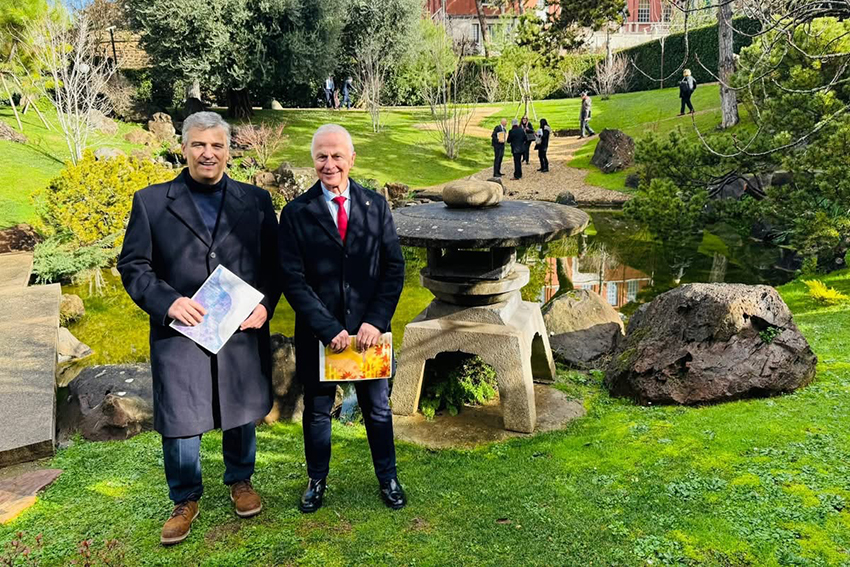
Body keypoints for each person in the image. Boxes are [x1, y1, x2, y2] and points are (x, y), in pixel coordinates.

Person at [117, 112, 280, 546]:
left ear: (228, 151)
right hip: (180, 331)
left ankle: (241, 480)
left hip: (239, 328)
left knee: (238, 405)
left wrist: (265, 304)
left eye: (217, 145)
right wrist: (167, 301)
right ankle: (184, 498)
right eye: (199, 145)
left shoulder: (256, 201)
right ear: (184, 148)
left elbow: (275, 263)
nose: (208, 153)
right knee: (181, 415)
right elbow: (133, 265)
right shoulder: (151, 202)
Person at [278, 124, 407, 514]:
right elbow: (292, 279)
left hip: (370, 335)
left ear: (351, 159)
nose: (329, 163)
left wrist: (375, 321)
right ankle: (316, 480)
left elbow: (393, 269)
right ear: (313, 160)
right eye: (322, 156)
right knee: (318, 411)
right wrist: (328, 328)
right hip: (320, 336)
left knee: (378, 409)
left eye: (337, 155)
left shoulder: (376, 206)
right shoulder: (297, 213)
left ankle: (388, 478)